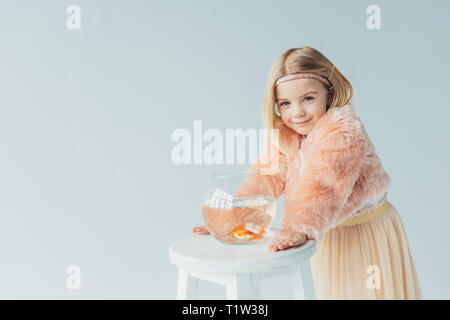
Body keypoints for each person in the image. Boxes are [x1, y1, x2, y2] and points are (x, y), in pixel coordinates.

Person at [193, 46, 422, 299]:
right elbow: (266, 178)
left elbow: (325, 184)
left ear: (329, 92)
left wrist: (301, 226)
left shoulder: (343, 130)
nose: (297, 112)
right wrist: (232, 219)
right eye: (286, 104)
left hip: (364, 231)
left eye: (308, 99)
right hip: (328, 232)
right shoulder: (287, 135)